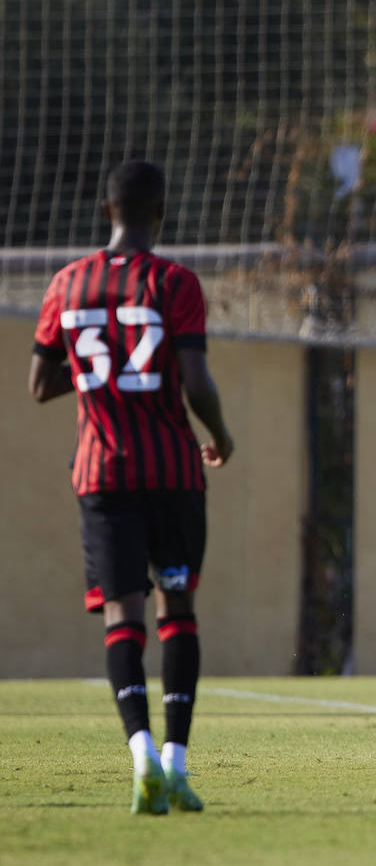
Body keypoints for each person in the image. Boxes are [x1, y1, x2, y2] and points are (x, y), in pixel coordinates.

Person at [29, 159, 234, 814]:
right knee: (178, 609)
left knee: (123, 615)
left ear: (105, 209)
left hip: (103, 474)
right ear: (160, 213)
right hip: (173, 472)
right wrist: (222, 436)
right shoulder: (174, 282)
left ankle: (140, 751)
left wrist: (101, 363)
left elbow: (40, 384)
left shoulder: (67, 284)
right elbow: (197, 379)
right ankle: (175, 760)